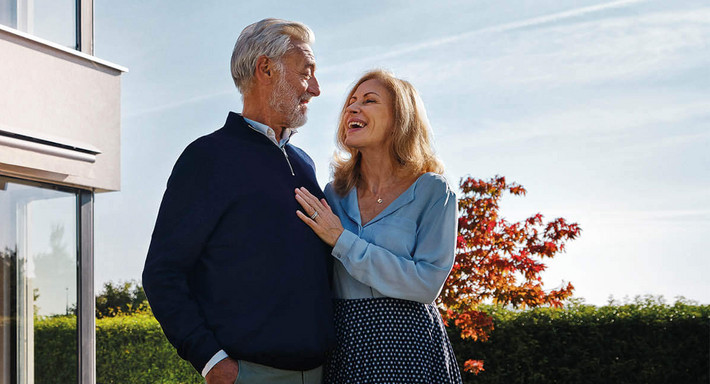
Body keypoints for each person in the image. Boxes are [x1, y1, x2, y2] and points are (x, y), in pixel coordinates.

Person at [142, 18, 335, 384]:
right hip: (250, 376)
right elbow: (162, 273)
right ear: (265, 68)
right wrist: (211, 360)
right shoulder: (207, 158)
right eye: (306, 72)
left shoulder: (305, 164)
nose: (317, 89)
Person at [295, 69, 463, 383]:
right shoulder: (333, 194)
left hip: (412, 348)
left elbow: (426, 284)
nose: (352, 109)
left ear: (401, 119)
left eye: (369, 101)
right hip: (347, 347)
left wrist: (342, 240)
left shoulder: (433, 191)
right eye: (351, 102)